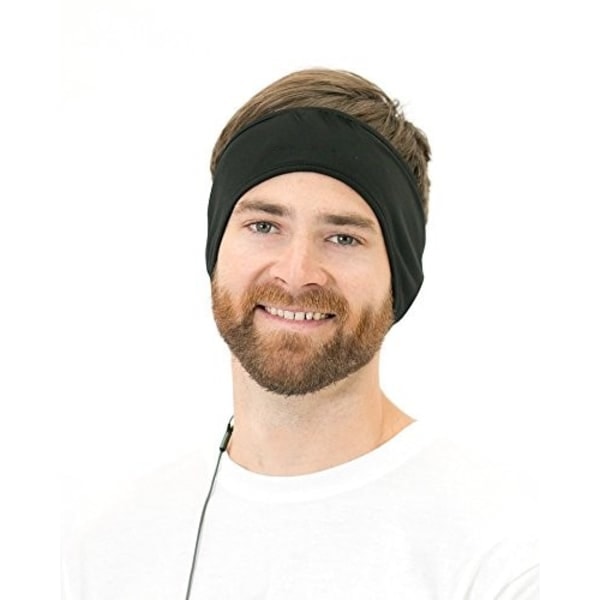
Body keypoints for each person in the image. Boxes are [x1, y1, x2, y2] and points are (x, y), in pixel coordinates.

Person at [62, 69, 539, 599]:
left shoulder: (506, 551)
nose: (296, 273)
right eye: (264, 226)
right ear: (217, 249)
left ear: (400, 276)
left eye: (343, 237)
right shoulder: (109, 548)